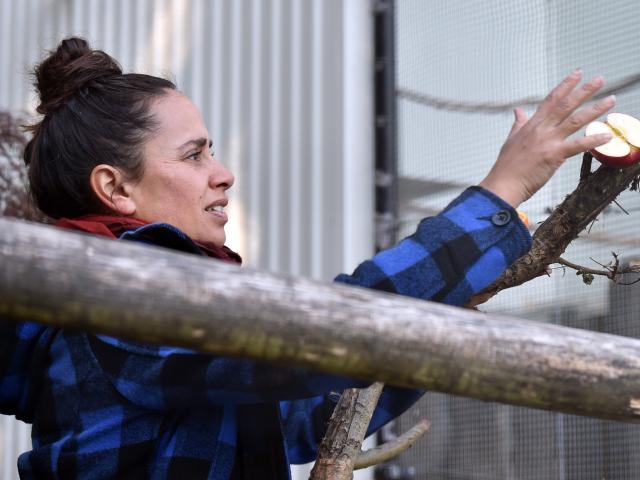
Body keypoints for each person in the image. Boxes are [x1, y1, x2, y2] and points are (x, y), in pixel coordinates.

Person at [0, 37, 614, 479]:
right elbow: (324, 336)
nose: (223, 174)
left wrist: (446, 314)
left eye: (213, 152)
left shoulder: (164, 327)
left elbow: (298, 419)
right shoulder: (118, 304)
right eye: (193, 156)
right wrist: (500, 195)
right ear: (116, 189)